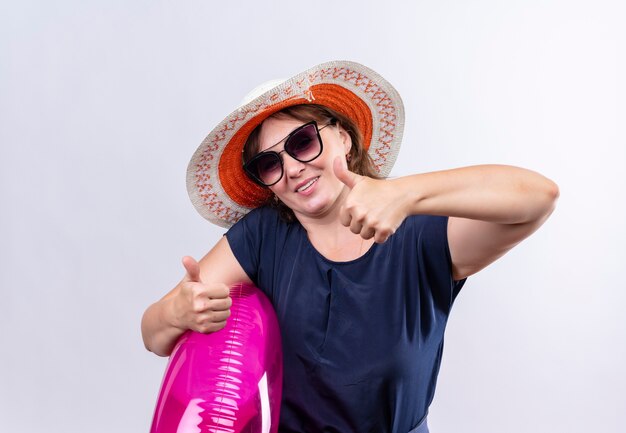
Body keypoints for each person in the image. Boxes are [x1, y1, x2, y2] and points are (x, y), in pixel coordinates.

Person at [141, 61, 559, 432]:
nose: (292, 169)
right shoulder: (263, 235)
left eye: (302, 142)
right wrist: (175, 311)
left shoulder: (417, 233)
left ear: (343, 137)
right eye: (269, 164)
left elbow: (538, 196)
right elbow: (154, 333)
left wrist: (406, 194)